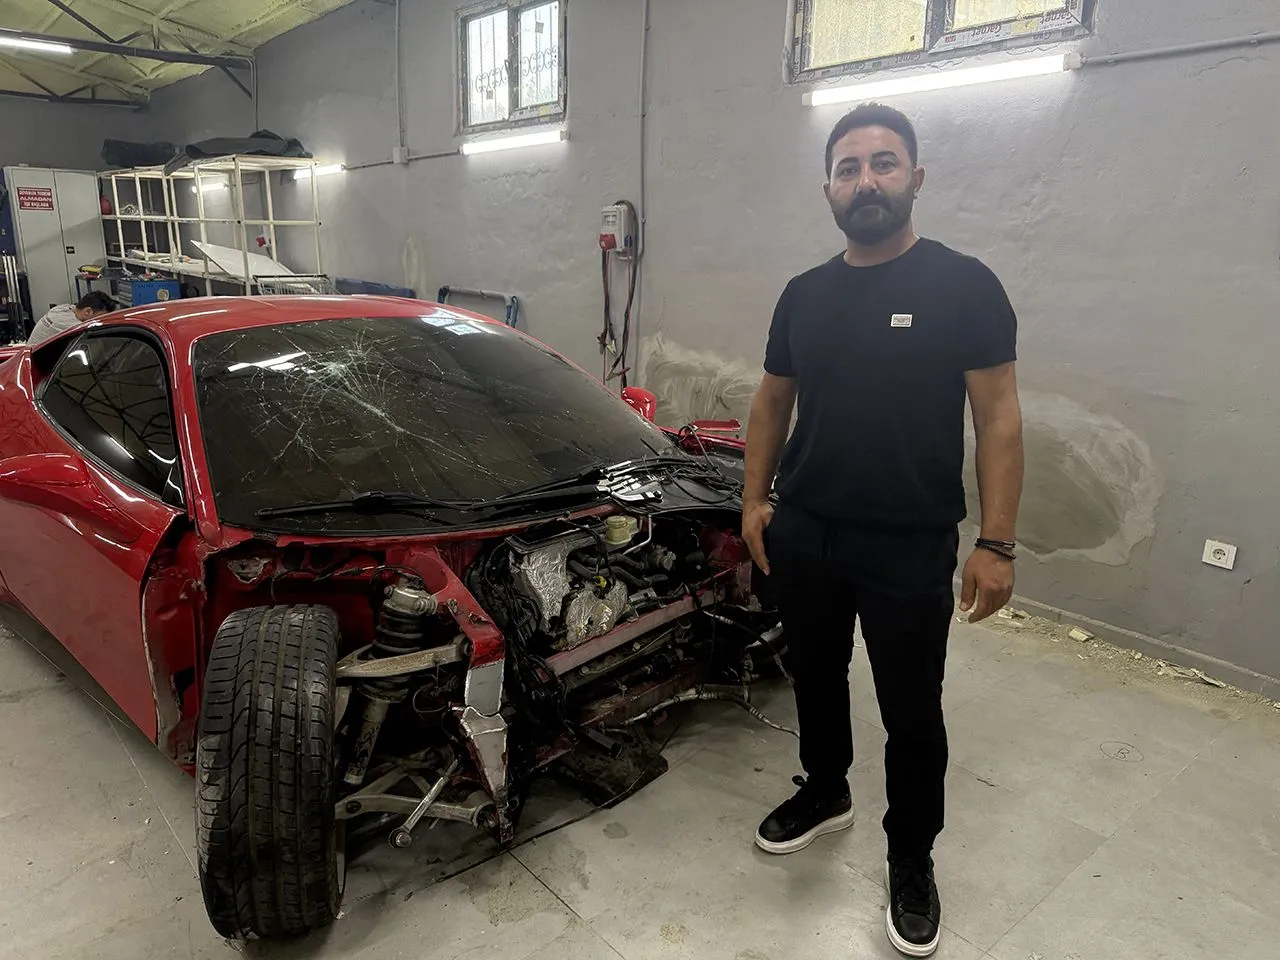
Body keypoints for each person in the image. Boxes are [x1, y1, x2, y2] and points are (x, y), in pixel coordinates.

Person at [741, 103, 1023, 958]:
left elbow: (999, 417)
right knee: (815, 676)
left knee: (912, 709)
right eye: (849, 167)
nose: (866, 180)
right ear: (829, 187)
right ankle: (826, 788)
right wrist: (754, 502)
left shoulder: (963, 285)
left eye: (884, 163)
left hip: (908, 541)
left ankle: (911, 857)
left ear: (916, 178)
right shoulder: (804, 293)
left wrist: (996, 541)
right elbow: (772, 402)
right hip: (808, 530)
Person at [27, 291, 118, 346]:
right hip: (37, 366)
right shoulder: (74, 326)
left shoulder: (63, 309)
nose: (101, 321)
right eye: (100, 317)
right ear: (88, 311)